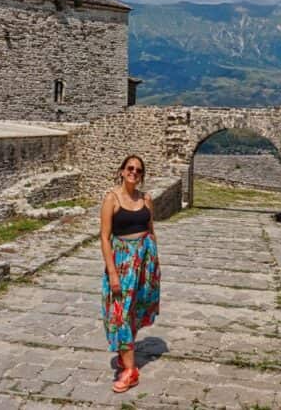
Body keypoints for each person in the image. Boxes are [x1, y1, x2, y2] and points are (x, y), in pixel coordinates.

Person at [99, 154, 160, 393]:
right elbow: (104, 237)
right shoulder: (111, 199)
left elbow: (151, 230)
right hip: (122, 261)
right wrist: (113, 273)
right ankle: (130, 371)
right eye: (130, 168)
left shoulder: (146, 199)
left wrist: (156, 265)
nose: (134, 172)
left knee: (134, 310)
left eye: (139, 170)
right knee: (119, 313)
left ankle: (127, 357)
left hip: (145, 261)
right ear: (122, 171)